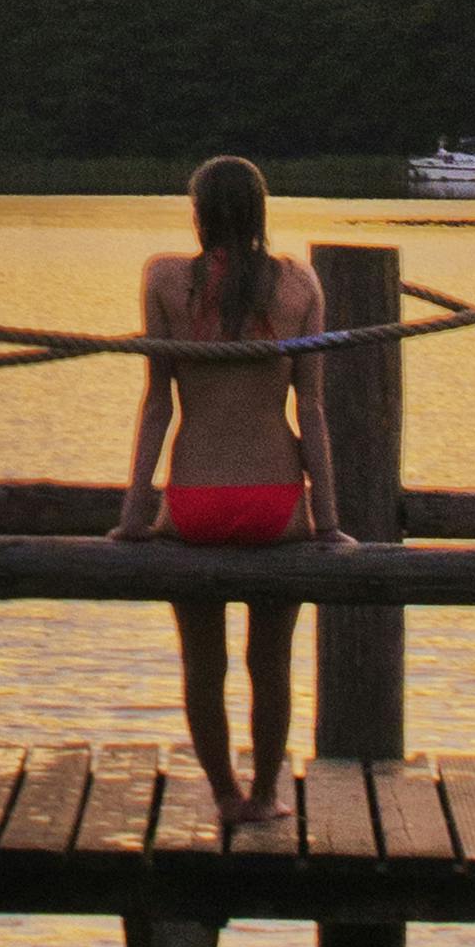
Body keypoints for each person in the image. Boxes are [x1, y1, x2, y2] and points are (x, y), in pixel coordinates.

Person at [117, 152, 323, 839]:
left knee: (202, 665)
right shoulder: (300, 287)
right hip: (275, 503)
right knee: (272, 663)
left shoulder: (164, 281)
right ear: (261, 215)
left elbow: (156, 407)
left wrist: (133, 515)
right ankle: (267, 795)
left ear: (199, 215)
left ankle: (226, 794)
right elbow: (313, 413)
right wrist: (329, 523)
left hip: (196, 503)